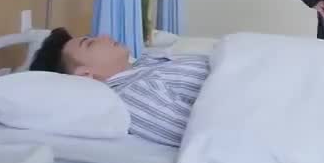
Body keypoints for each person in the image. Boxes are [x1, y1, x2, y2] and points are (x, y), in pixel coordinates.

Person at [28, 27, 209, 147]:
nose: (105, 37)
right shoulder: (133, 95)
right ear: (85, 74)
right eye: (90, 43)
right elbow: (207, 135)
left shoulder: (144, 63)